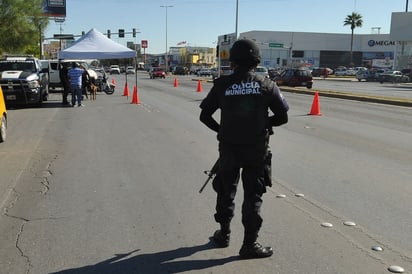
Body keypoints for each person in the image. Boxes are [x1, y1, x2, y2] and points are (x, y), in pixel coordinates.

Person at [199, 39, 289, 259]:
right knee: (253, 196)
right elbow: (283, 117)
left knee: (225, 191)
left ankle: (223, 234)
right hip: (256, 150)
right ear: (256, 61)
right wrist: (265, 123)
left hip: (229, 149)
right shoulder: (267, 85)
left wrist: (222, 131)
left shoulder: (222, 84)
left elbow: (204, 115)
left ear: (233, 62)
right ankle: (249, 244)